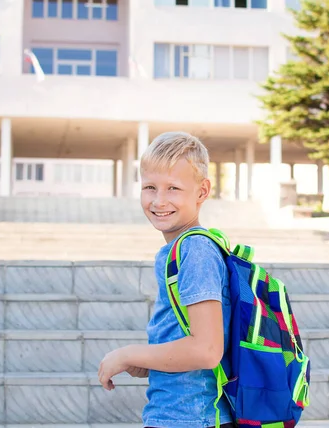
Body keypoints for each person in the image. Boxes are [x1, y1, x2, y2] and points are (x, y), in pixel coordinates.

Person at [98, 132, 233, 428]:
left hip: (191, 419)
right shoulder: (178, 249)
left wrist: (127, 354)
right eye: (150, 187)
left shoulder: (196, 250)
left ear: (202, 191)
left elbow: (207, 351)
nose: (159, 200)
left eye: (173, 188)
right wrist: (148, 361)